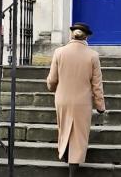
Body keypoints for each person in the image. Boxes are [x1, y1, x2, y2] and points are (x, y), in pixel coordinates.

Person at [46, 22, 106, 176]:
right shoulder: (93, 55)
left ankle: (64, 154)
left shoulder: (59, 52)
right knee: (79, 134)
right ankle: (73, 169)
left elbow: (52, 80)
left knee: (64, 127)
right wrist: (100, 105)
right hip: (82, 101)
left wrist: (53, 89)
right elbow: (97, 85)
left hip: (62, 99)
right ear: (87, 37)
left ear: (71, 34)